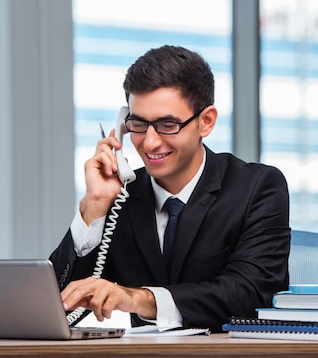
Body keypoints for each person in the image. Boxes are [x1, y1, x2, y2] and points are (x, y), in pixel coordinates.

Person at [49, 45, 290, 332]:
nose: (149, 143)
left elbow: (250, 294)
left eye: (167, 124)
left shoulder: (257, 188)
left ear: (206, 121)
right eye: (138, 123)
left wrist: (139, 299)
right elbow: (53, 307)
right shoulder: (120, 195)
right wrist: (94, 206)